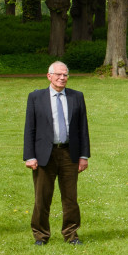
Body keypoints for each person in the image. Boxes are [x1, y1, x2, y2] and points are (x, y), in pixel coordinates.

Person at [23, 61, 90, 245]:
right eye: (58, 74)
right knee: (42, 197)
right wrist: (29, 156)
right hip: (45, 154)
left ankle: (71, 234)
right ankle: (41, 235)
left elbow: (83, 128)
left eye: (65, 75)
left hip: (70, 153)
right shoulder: (36, 97)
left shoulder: (77, 97)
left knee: (70, 198)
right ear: (49, 76)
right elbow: (30, 128)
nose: (62, 78)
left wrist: (84, 156)